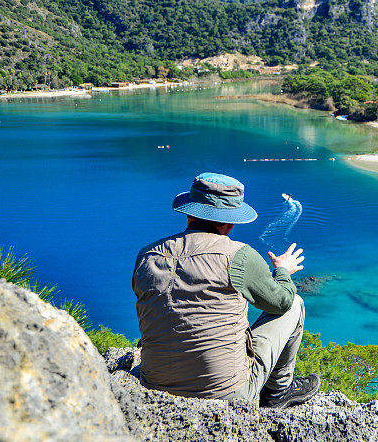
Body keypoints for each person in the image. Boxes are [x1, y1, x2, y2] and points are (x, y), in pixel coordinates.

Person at [132, 172, 320, 408]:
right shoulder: (237, 256)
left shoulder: (148, 255)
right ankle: (277, 393)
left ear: (190, 211)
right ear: (230, 222)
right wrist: (282, 271)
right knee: (294, 304)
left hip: (153, 385)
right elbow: (280, 301)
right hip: (225, 394)